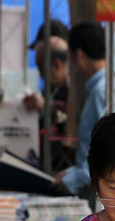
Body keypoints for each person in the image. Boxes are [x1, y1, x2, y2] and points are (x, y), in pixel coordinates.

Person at [56, 22, 115, 198]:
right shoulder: (104, 87)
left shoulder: (102, 91)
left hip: (100, 190)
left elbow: (112, 151)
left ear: (79, 55)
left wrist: (75, 178)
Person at [21, 35, 75, 173]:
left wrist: (47, 105)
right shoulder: (54, 88)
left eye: (42, 69)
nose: (42, 76)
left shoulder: (77, 88)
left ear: (56, 65)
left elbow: (75, 113)